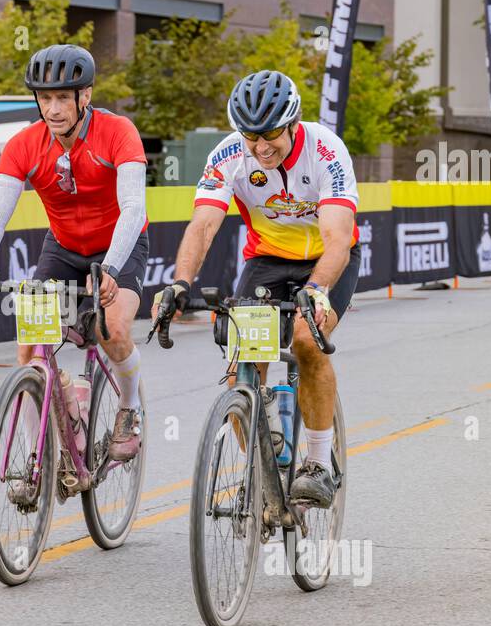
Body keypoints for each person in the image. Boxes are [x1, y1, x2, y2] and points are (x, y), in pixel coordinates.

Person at [153, 70, 360, 508]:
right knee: (241, 367)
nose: (261, 148)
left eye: (270, 136)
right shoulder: (229, 154)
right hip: (267, 260)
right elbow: (203, 225)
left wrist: (318, 289)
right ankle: (262, 469)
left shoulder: (326, 150)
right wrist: (179, 282)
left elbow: (339, 238)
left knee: (306, 341)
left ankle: (318, 464)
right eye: (251, 137)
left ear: (292, 124)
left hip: (326, 259)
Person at [0, 44, 148, 461]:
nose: (54, 108)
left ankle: (129, 409)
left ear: (86, 96)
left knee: (110, 329)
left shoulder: (118, 132)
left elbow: (134, 208)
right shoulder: (25, 144)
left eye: (63, 97)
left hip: (119, 244)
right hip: (62, 247)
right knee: (29, 346)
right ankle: (34, 458)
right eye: (45, 98)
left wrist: (111, 267)